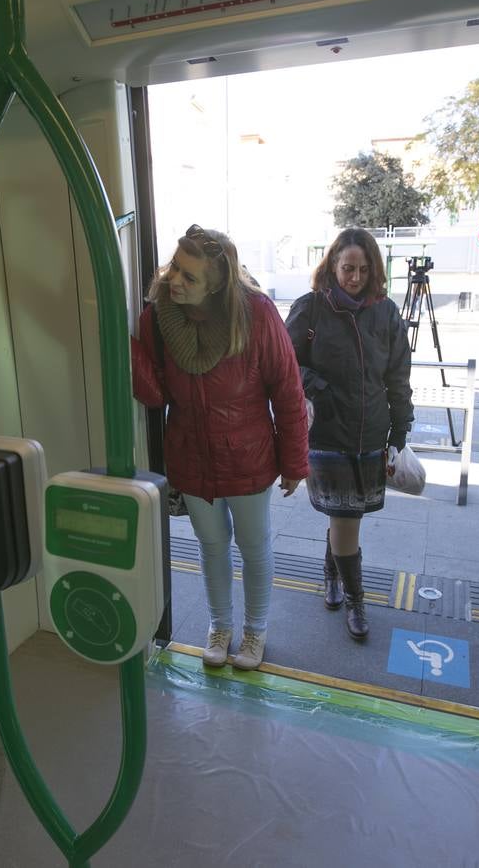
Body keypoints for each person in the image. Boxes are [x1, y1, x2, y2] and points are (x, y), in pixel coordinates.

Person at [132, 224, 308, 671]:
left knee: (253, 546)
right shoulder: (158, 318)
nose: (175, 281)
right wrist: (124, 347)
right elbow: (155, 394)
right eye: (175, 268)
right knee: (211, 546)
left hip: (248, 454)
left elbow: (287, 391)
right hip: (191, 454)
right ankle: (220, 627)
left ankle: (254, 632)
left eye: (190, 277)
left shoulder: (256, 314)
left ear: (217, 283)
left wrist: (294, 462)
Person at [285, 228, 413, 640]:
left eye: (362, 269)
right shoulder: (311, 309)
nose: (354, 277)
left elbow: (398, 377)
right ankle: (357, 600)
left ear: (373, 269)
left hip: (371, 431)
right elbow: (285, 365)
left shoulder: (386, 312)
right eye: (346, 268)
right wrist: (315, 386)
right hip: (328, 434)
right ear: (332, 266)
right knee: (346, 515)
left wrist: (400, 430)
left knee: (346, 516)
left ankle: (331, 574)